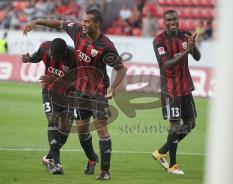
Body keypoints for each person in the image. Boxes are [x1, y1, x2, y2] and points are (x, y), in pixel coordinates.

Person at [23, 9, 127, 180]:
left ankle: (105, 171)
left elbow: (121, 69)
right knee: (82, 131)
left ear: (97, 23)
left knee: (102, 130)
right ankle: (92, 159)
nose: (83, 24)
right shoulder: (78, 31)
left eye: (87, 21)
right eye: (83, 20)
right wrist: (36, 22)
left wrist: (113, 88)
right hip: (80, 92)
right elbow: (59, 23)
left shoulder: (105, 46)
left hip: (98, 92)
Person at [21, 38, 98, 175]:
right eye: (50, 53)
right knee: (52, 120)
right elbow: (37, 57)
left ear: (63, 54)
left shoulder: (75, 59)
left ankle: (48, 157)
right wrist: (29, 59)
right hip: (49, 91)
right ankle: (57, 163)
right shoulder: (45, 48)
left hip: (69, 94)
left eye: (54, 55)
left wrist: (58, 80)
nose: (51, 56)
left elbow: (82, 85)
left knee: (65, 129)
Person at [152, 10, 201, 175]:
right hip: (171, 90)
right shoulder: (158, 41)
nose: (172, 22)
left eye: (174, 19)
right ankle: (172, 165)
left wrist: (193, 47)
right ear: (164, 22)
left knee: (190, 124)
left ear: (178, 20)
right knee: (174, 126)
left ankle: (161, 152)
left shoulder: (185, 35)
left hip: (186, 86)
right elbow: (166, 65)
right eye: (168, 20)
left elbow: (198, 57)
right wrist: (186, 51)